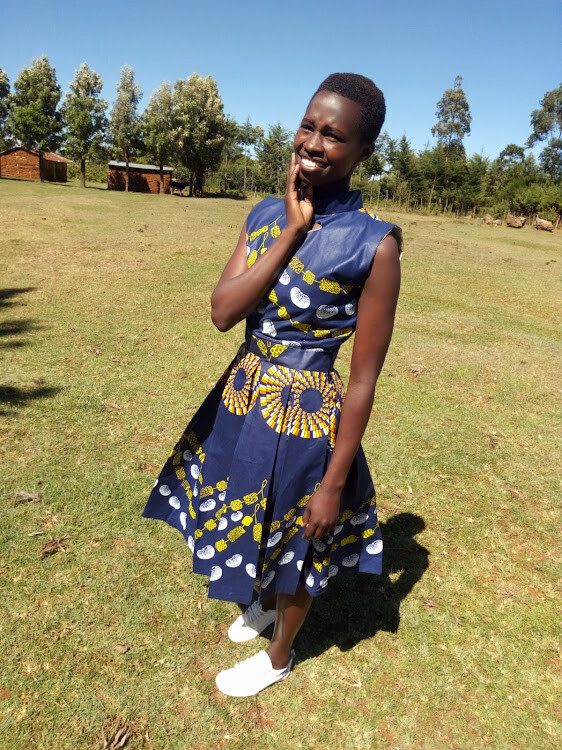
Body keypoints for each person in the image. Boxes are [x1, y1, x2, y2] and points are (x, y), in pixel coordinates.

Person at [143, 72, 402, 697]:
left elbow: (363, 380)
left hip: (308, 413)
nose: (312, 143)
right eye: (308, 126)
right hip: (242, 397)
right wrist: (289, 231)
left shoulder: (375, 244)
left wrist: (334, 483)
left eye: (333, 135)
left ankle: (280, 654)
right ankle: (262, 602)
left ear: (363, 151)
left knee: (300, 533)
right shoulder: (264, 215)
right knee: (253, 512)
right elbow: (222, 312)